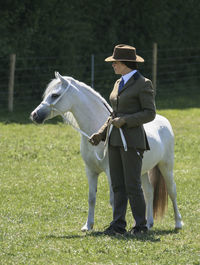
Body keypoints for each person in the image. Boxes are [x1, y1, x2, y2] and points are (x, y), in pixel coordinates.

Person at [89, 44, 156, 235]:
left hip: (132, 140)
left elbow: (150, 113)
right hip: (115, 140)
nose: (113, 65)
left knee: (132, 185)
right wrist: (101, 133)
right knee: (117, 185)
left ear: (125, 63)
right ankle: (118, 225)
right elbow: (113, 113)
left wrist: (126, 120)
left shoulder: (144, 83)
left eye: (115, 62)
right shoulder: (118, 83)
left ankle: (140, 226)